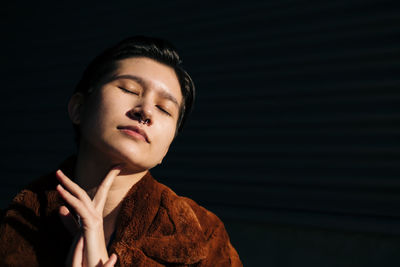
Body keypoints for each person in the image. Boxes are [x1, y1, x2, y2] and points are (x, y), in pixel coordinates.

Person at [0, 36, 242, 266]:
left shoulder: (203, 237)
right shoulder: (14, 225)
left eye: (164, 108)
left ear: (167, 148)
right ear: (79, 108)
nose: (145, 111)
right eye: (129, 89)